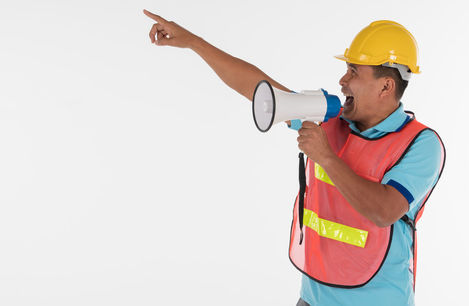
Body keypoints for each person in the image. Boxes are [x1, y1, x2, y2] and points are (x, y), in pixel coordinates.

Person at [144, 10, 445, 306]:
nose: (342, 80)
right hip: (313, 298)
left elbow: (384, 211)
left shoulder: (420, 144)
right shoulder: (332, 120)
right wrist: (193, 42)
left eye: (354, 71)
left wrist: (327, 157)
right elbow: (259, 89)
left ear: (385, 86)